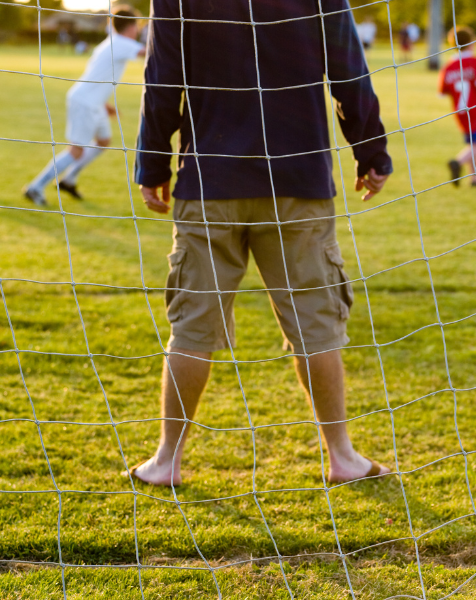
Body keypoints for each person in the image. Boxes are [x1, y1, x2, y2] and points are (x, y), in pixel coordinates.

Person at [130, 0, 393, 487]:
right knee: (316, 325)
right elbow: (350, 73)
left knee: (192, 327)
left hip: (210, 182)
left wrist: (151, 165)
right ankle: (342, 455)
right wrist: (371, 151)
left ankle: (167, 460)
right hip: (297, 182)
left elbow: (161, 81)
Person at [23, 7, 145, 206]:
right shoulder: (121, 42)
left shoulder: (111, 43)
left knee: (103, 141)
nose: (138, 30)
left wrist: (105, 104)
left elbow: (97, 76)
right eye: (138, 26)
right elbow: (148, 52)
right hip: (85, 102)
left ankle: (68, 180)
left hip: (94, 103)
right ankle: (35, 187)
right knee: (76, 150)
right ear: (131, 26)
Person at [439, 26, 476, 188]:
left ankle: (474, 179)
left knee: (472, 144)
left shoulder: (449, 66)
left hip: (460, 111)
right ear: (472, 42)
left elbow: (443, 91)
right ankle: (457, 162)